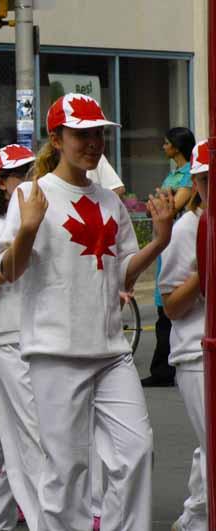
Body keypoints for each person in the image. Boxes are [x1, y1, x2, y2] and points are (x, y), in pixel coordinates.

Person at [0, 93, 174, 529]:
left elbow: (122, 276)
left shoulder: (110, 201)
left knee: (136, 452)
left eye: (98, 134)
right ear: (56, 139)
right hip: (55, 352)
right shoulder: (31, 194)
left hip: (110, 350)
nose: (93, 143)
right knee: (66, 471)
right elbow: (9, 271)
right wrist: (29, 229)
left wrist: (160, 240)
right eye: (82, 134)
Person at [0, 144, 43, 531]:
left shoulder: (39, 213)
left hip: (38, 333)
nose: (29, 180)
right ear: (1, 183)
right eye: (20, 174)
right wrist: (13, 259)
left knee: (28, 433)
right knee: (31, 433)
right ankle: (39, 519)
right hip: (2, 337)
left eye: (32, 172)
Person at [160, 139, 208, 531]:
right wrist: (202, 273)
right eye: (207, 179)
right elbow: (171, 306)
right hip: (196, 354)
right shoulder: (187, 229)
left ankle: (195, 515)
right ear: (195, 181)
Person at [142, 126, 197, 387]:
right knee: (163, 303)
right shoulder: (173, 175)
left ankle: (163, 369)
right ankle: (164, 367)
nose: (163, 147)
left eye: (166, 143)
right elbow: (162, 205)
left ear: (176, 145)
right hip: (164, 241)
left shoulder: (189, 175)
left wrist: (164, 202)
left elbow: (172, 205)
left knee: (172, 306)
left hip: (178, 241)